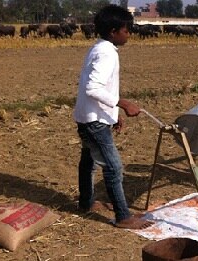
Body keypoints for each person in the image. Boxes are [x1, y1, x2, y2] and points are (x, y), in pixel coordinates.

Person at [73, 5, 153, 229]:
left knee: (88, 161)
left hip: (90, 116)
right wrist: (123, 104)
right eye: (126, 30)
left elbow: (98, 89)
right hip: (93, 122)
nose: (129, 34)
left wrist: (113, 113)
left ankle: (86, 203)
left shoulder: (98, 48)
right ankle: (123, 216)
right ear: (113, 32)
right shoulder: (106, 53)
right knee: (113, 167)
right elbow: (93, 88)